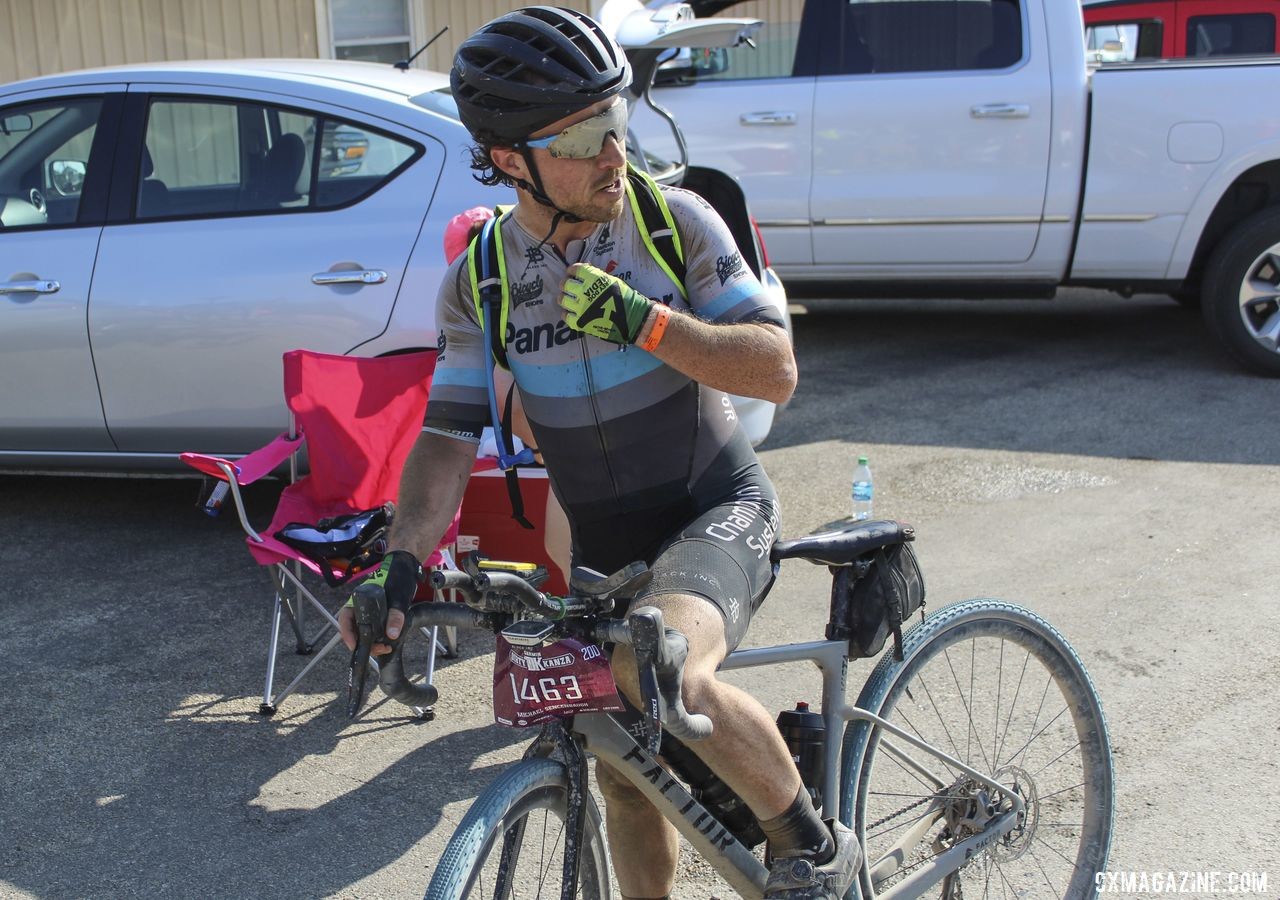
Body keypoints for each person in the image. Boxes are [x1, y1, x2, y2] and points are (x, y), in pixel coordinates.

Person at [339, 8, 858, 898]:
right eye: (582, 136)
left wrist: (644, 320)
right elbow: (447, 437)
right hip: (602, 547)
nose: (613, 152)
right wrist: (399, 561)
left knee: (668, 673)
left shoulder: (676, 223)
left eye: (615, 121)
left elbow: (776, 369)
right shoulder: (483, 281)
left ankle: (814, 850)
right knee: (623, 773)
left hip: (714, 506)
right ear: (510, 160)